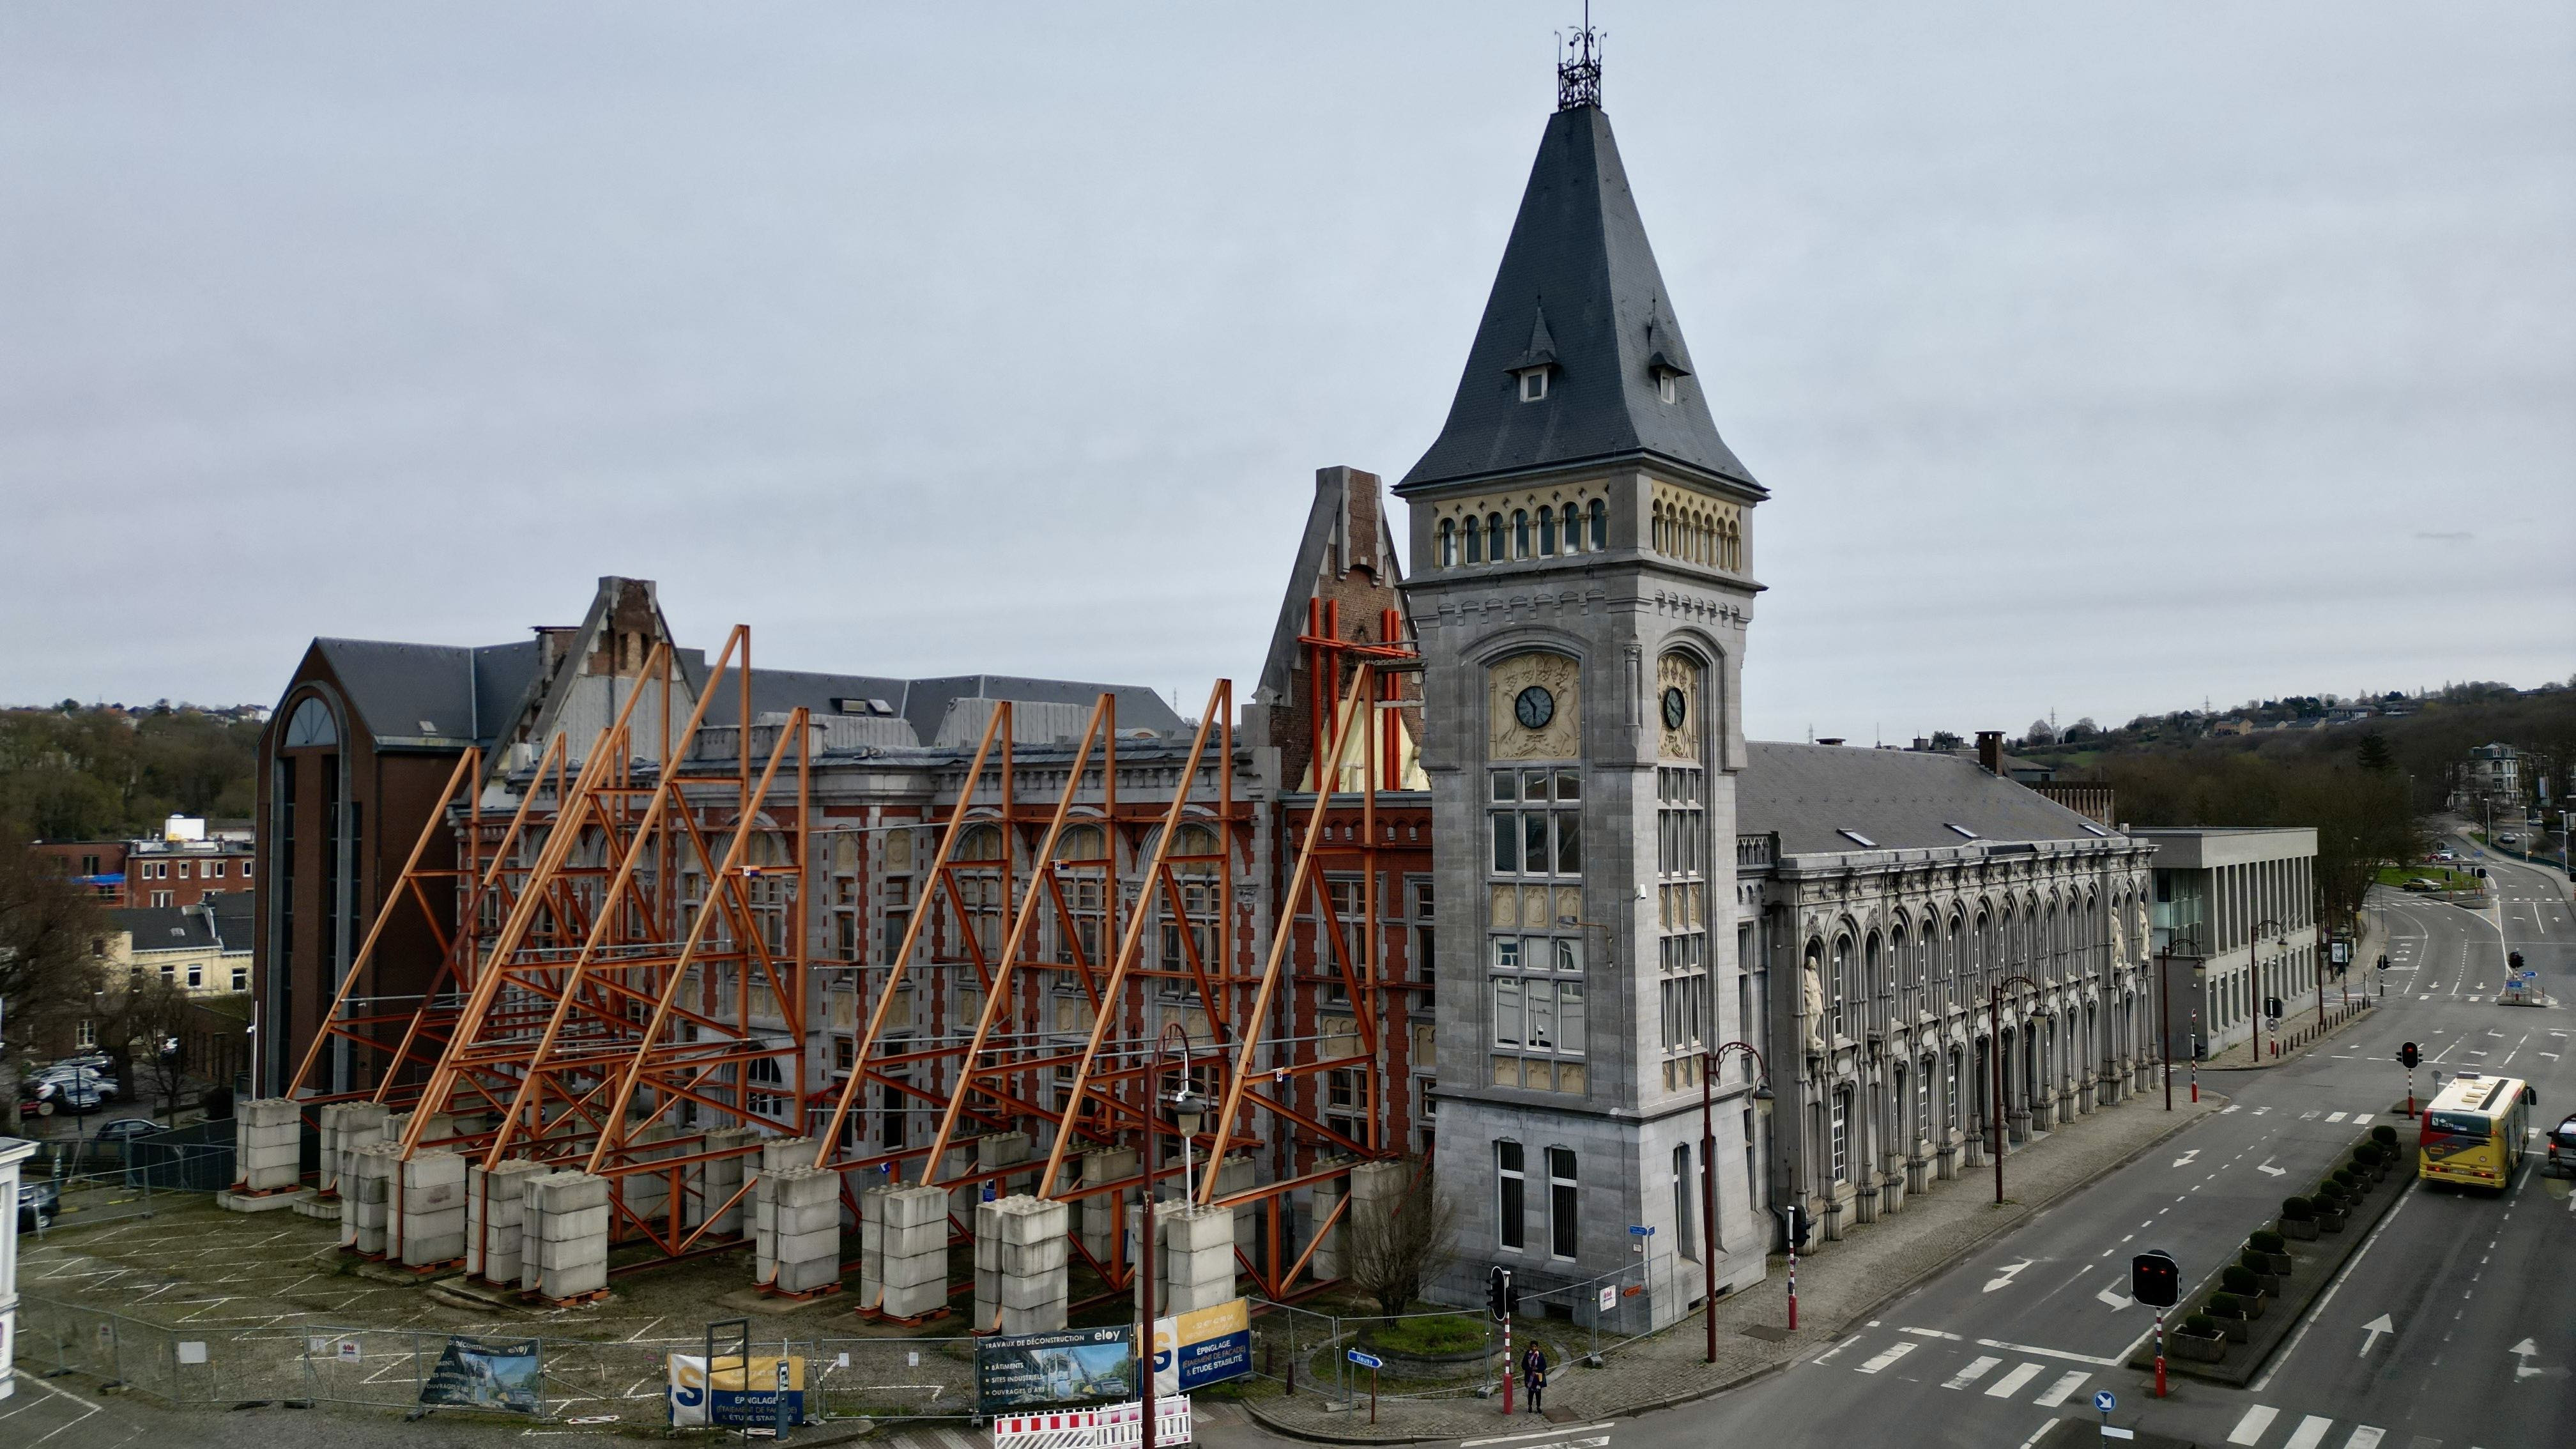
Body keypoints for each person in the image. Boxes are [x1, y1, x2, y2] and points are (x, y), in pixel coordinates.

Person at [1521, 1344, 1547, 1414]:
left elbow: (1544, 1365)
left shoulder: (1540, 1355)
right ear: (1530, 1347)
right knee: (1531, 1392)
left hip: (1538, 1376)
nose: (1534, 1348)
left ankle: (1538, 1407)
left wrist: (1538, 1368)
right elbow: (1523, 1365)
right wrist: (1530, 1368)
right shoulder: (1527, 1355)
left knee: (1538, 1393)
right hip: (1530, 1376)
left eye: (1535, 1347)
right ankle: (1530, 1406)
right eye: (1532, 1347)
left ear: (1537, 1347)